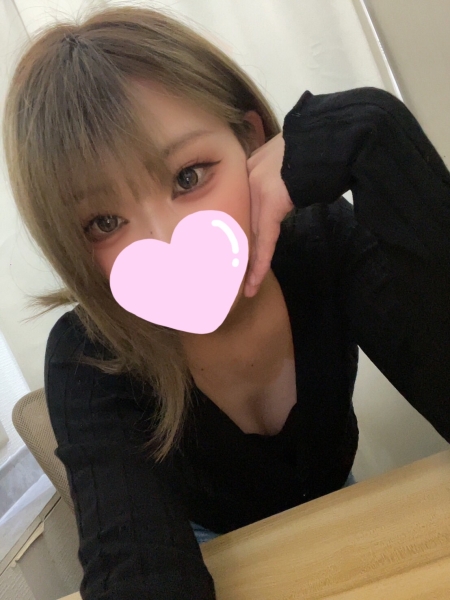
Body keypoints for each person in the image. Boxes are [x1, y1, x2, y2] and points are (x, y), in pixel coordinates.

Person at [3, 5, 450, 600]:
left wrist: (380, 141)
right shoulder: (89, 355)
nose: (166, 241)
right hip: (207, 553)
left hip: (341, 517)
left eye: (188, 177)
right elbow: (136, 570)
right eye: (105, 222)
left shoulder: (325, 241)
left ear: (251, 141)